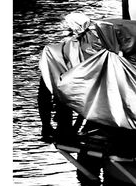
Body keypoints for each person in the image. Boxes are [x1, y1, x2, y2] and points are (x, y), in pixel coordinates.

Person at [37, 12, 100, 141]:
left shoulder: (56, 52)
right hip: (91, 106)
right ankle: (64, 129)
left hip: (74, 98)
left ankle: (59, 129)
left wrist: (46, 124)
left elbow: (44, 96)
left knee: (56, 86)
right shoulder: (94, 48)